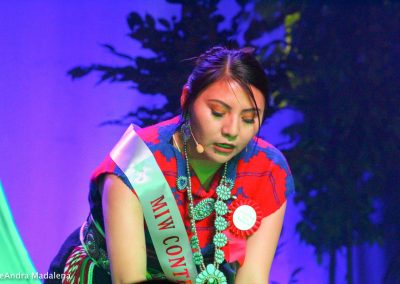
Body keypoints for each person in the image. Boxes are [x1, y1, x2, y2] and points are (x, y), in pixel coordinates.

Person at [47, 46, 294, 284]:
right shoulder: (135, 163)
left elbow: (252, 278)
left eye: (249, 118)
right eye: (218, 113)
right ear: (187, 99)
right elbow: (127, 279)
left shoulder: (268, 170)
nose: (232, 131)